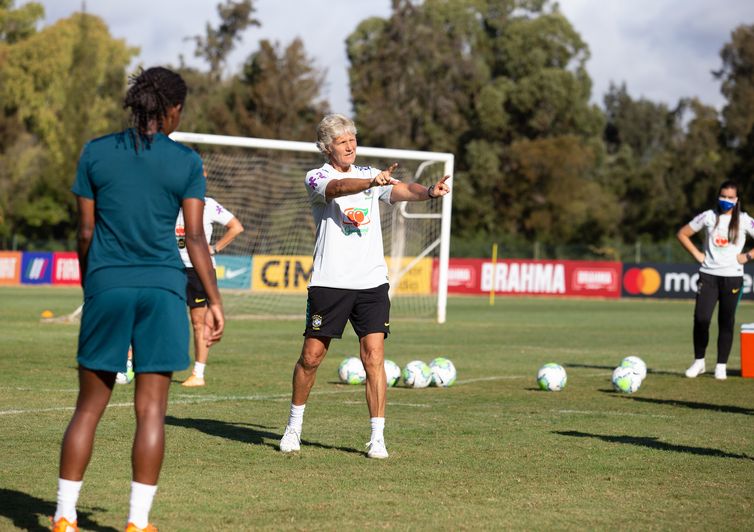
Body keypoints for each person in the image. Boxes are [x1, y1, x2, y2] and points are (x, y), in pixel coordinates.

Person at [51, 67, 224, 532]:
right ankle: (137, 523)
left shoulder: (95, 152)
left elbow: (84, 232)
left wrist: (95, 284)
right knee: (151, 411)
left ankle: (64, 518)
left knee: (88, 407)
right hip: (165, 290)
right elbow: (194, 240)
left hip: (107, 284)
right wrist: (215, 300)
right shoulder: (186, 162)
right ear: (172, 110)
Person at [278, 113, 451, 459]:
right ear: (328, 147)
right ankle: (294, 427)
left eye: (353, 140)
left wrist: (429, 192)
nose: (350, 146)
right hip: (329, 283)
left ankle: (377, 437)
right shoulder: (317, 176)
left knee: (374, 357)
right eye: (343, 142)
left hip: (372, 283)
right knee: (311, 358)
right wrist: (371, 184)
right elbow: (338, 189)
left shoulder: (371, 174)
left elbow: (402, 190)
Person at [677, 180, 754, 380]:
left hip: (733, 278)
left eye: (730, 197)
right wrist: (697, 254)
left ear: (737, 200)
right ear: (718, 196)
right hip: (708, 275)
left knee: (726, 322)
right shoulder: (709, 216)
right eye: (723, 196)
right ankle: (699, 362)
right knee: (701, 319)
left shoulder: (745, 220)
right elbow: (683, 233)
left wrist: (747, 256)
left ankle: (721, 365)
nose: (726, 201)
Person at [176, 194, 244, 387]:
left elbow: (236, 227)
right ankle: (137, 363)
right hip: (171, 267)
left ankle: (198, 373)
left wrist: (214, 248)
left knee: (199, 322)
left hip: (199, 271)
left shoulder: (208, 204)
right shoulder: (168, 201)